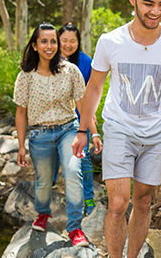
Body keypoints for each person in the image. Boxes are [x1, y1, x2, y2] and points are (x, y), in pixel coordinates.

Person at [72, 0, 161, 258]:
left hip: (155, 134)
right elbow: (93, 89)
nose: (156, 11)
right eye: (149, 3)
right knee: (117, 203)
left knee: (142, 202)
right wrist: (82, 130)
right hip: (119, 128)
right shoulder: (111, 42)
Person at [13, 22, 94, 247]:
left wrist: (85, 132)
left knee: (72, 171)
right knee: (44, 181)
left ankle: (75, 228)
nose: (50, 46)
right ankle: (43, 213)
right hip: (40, 134)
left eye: (53, 41)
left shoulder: (71, 71)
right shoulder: (25, 76)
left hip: (68, 129)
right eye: (44, 41)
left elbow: (83, 104)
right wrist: (21, 146)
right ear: (35, 45)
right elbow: (21, 112)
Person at [50, 23, 103, 216]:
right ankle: (52, 193)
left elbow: (92, 91)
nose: (68, 44)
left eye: (73, 41)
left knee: (84, 158)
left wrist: (92, 118)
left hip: (81, 119)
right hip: (55, 119)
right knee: (54, 157)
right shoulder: (49, 59)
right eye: (64, 40)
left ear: (78, 42)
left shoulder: (85, 62)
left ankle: (88, 197)